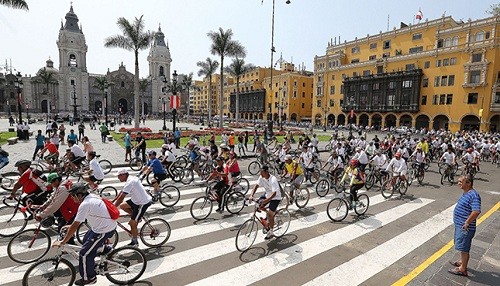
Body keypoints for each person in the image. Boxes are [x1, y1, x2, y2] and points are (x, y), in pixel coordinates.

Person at [53, 183, 116, 286]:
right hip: (100, 226)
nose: (72, 198)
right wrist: (70, 227)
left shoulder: (85, 204)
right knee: (86, 240)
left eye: (73, 195)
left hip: (103, 229)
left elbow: (75, 225)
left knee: (84, 254)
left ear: (79, 195)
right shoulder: (92, 196)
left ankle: (89, 278)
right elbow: (83, 218)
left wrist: (63, 241)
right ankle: (106, 249)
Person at [448, 175, 481, 277]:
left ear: (468, 183)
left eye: (461, 182)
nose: (459, 183)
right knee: (462, 246)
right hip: (460, 225)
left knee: (464, 248)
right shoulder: (467, 193)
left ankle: (463, 269)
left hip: (465, 228)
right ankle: (462, 262)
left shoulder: (474, 195)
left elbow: (476, 211)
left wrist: (467, 222)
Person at [114, 168, 152, 246]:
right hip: (136, 200)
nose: (118, 178)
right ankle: (138, 217)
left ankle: (134, 242)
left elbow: (121, 198)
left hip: (142, 203)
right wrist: (112, 202)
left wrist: (112, 208)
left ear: (123, 175)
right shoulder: (129, 179)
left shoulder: (130, 182)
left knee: (132, 223)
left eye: (118, 176)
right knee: (123, 206)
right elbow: (121, 193)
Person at [248, 165, 282, 240]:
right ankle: (271, 213)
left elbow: (274, 194)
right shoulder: (262, 177)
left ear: (266, 172)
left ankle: (271, 231)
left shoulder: (273, 179)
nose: (260, 174)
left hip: (275, 198)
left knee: (270, 215)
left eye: (262, 172)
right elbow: (256, 186)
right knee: (258, 206)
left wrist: (265, 201)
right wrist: (251, 195)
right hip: (267, 195)